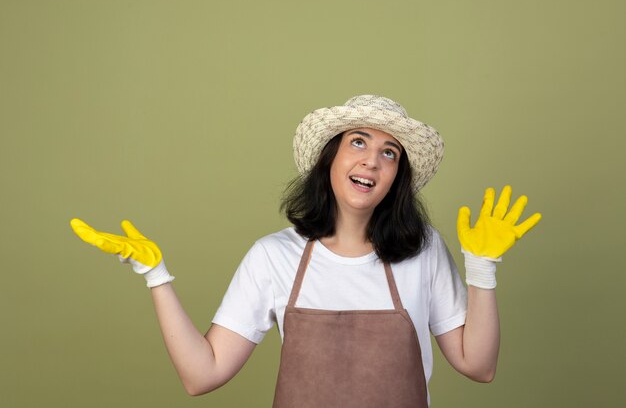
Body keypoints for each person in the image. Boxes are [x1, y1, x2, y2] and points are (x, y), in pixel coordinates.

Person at [70, 95, 541, 407]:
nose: (371, 160)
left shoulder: (423, 250)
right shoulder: (273, 256)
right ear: (330, 158)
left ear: (396, 176)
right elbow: (203, 374)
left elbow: (478, 367)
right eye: (358, 142)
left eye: (389, 152)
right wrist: (156, 275)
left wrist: (482, 270)